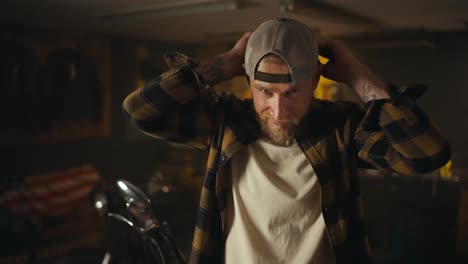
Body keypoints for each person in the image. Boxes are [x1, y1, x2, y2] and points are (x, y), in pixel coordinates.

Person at [123, 18, 451, 264]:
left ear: (314, 82)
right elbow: (141, 112)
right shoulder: (224, 122)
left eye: (293, 91)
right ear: (248, 80)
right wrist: (222, 65)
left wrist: (357, 75)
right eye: (265, 92)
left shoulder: (340, 128)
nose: (279, 111)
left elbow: (427, 155)